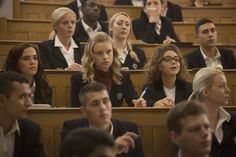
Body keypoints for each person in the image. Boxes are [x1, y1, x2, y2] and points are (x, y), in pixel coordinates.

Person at [62, 82, 145, 157]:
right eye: (95, 104)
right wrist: (110, 150)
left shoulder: (130, 129)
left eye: (106, 102)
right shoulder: (71, 130)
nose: (103, 108)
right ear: (84, 111)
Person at [71, 32, 146, 107]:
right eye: (99, 53)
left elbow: (133, 101)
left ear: (114, 52)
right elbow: (76, 111)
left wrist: (138, 103)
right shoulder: (78, 79)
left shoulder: (123, 76)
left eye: (108, 52)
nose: (105, 57)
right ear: (91, 56)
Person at [189, 66, 236, 157]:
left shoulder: (233, 120)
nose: (228, 90)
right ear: (206, 92)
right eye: (222, 86)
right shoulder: (188, 124)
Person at [0, 72, 45, 157]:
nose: (29, 103)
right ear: (1, 100)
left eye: (29, 96)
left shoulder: (31, 130)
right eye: (22, 97)